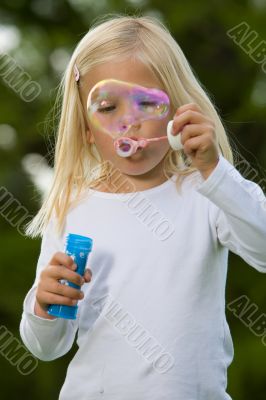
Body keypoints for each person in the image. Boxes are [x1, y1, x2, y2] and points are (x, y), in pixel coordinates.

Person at [19, 14, 266, 400]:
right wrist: (44, 306)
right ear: (86, 129)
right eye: (107, 107)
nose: (128, 124)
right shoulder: (72, 209)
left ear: (177, 114)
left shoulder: (206, 192)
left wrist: (216, 172)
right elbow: (47, 347)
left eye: (147, 104)